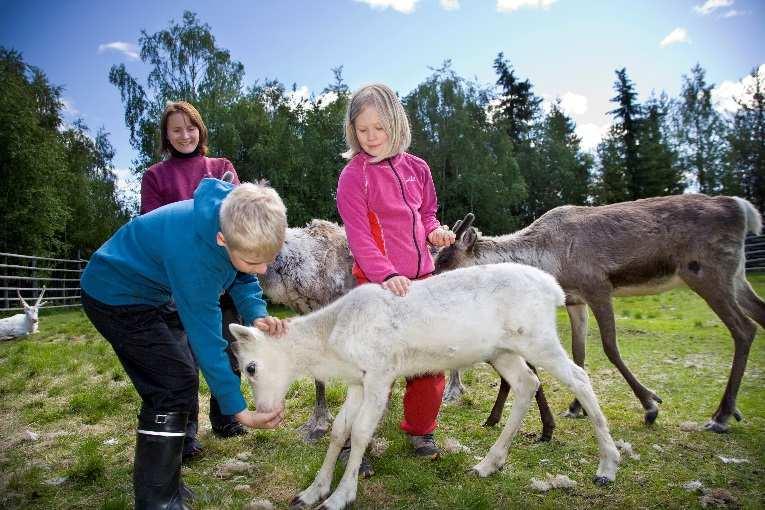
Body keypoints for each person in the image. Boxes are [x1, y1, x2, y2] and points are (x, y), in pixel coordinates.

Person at [81, 177, 288, 509]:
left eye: (269, 258)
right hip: (113, 295)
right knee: (173, 383)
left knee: (175, 379)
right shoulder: (196, 259)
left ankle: (168, 485)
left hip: (149, 294)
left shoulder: (234, 224)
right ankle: (156, 499)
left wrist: (256, 314)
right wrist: (239, 411)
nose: (263, 268)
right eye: (254, 261)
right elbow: (208, 342)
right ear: (222, 240)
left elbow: (242, 274)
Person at [336, 83, 456, 464]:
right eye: (362, 129)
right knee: (374, 368)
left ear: (396, 123)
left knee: (428, 361)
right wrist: (385, 275)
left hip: (422, 284)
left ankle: (421, 431)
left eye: (379, 127)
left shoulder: (418, 168)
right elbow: (358, 237)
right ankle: (354, 442)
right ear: (352, 130)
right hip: (376, 286)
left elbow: (426, 214)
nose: (370, 137)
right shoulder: (354, 176)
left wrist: (435, 231)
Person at [141, 101, 247, 463]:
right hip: (178, 282)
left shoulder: (221, 168)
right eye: (176, 129)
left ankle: (226, 417)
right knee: (181, 361)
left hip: (222, 275)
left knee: (227, 348)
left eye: (191, 128)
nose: (185, 135)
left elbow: (239, 215)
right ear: (166, 135)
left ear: (200, 130)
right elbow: (153, 225)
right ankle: (185, 435)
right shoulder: (155, 176)